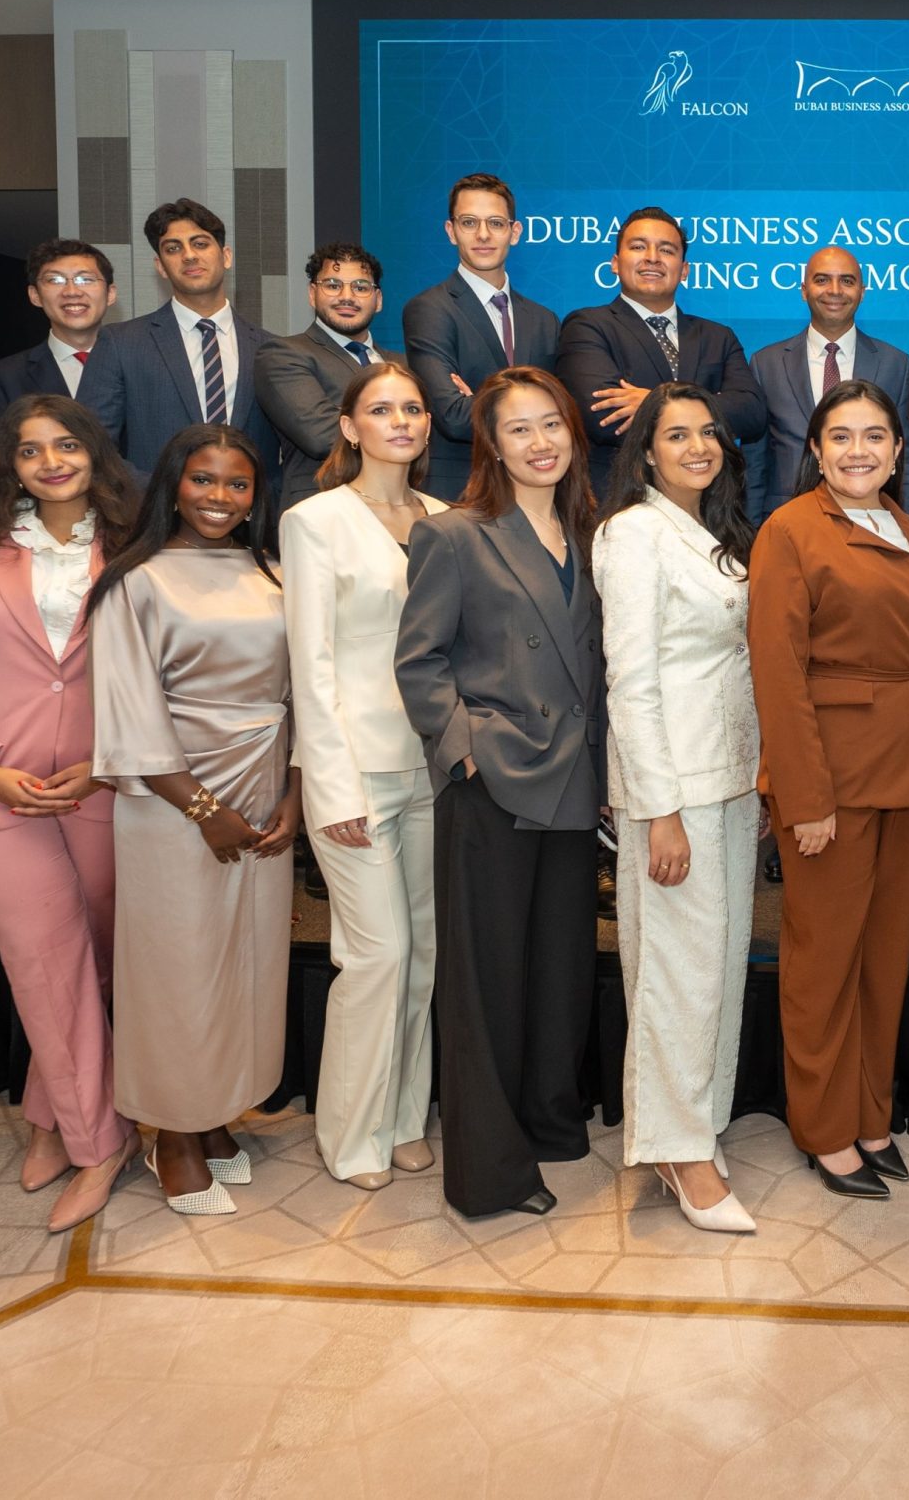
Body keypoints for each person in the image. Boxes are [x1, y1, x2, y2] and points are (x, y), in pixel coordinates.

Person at [0, 393, 145, 1232]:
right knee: (44, 959)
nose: (51, 462)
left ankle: (50, 1113)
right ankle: (99, 1144)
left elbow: (160, 664)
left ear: (94, 451)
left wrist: (109, 758)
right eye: (31, 449)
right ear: (9, 463)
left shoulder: (136, 538)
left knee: (97, 963)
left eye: (66, 444)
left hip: (105, 782)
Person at [394, 365, 605, 1220]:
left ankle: (548, 1121)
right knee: (483, 983)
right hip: (496, 783)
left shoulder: (592, 532)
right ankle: (488, 1172)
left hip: (575, 783)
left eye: (551, 423)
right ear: (491, 445)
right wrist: (465, 752)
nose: (540, 442)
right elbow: (419, 660)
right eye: (519, 428)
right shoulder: (455, 534)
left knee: (560, 968)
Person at [750, 380, 909, 1200]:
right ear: (815, 449)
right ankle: (825, 1129)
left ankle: (871, 1117)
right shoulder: (790, 530)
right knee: (823, 961)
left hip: (907, 771)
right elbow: (778, 673)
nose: (858, 451)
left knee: (883, 959)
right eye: (840, 436)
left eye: (875, 435)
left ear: (899, 449)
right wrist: (803, 799)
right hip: (831, 780)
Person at [91, 425, 298, 1216]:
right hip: (172, 799)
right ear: (173, 486)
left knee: (244, 962)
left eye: (237, 484)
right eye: (202, 480)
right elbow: (129, 710)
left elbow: (303, 691)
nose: (219, 497)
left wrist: (294, 798)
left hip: (263, 790)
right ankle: (171, 1133)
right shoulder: (134, 581)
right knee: (176, 968)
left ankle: (213, 1113)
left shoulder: (273, 572)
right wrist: (204, 809)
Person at [593, 383, 762, 1232]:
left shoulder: (716, 534)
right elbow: (630, 679)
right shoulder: (633, 533)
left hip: (732, 778)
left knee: (718, 968)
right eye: (677, 435)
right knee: (676, 973)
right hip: (676, 789)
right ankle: (674, 1149)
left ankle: (699, 1123)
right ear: (646, 453)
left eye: (708, 433)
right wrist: (658, 808)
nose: (698, 446)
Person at [281, 361, 450, 1190]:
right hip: (355, 770)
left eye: (412, 408)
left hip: (434, 768)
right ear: (350, 427)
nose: (400, 422)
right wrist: (332, 784)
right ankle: (350, 1136)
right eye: (381, 410)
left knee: (422, 955)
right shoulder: (315, 520)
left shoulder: (449, 518)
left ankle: (405, 1117)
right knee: (376, 956)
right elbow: (309, 665)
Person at [556, 207, 766, 492]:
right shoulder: (587, 326)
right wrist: (708, 408)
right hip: (623, 498)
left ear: (684, 270)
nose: (652, 257)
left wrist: (651, 402)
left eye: (666, 250)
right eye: (638, 247)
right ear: (615, 263)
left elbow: (751, 413)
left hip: (708, 504)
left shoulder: (718, 337)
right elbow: (604, 419)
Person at [79, 198, 281, 480]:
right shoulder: (120, 344)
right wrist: (160, 497)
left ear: (226, 256)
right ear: (161, 266)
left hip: (251, 506)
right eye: (173, 248)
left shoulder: (271, 349)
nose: (189, 255)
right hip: (151, 504)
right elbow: (93, 446)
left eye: (200, 244)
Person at [403, 173, 563, 501]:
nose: (483, 234)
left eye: (496, 223)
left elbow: (560, 412)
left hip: (534, 491)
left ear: (514, 232)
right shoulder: (429, 309)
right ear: (451, 231)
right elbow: (453, 416)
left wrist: (479, 399)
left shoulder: (544, 320)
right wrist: (529, 412)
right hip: (461, 491)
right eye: (469, 222)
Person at [749, 246, 909, 520]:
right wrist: (752, 534)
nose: (835, 290)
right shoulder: (766, 363)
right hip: (788, 521)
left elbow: (906, 458)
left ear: (862, 292)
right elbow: (754, 462)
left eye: (847, 281)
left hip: (871, 519)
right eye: (822, 280)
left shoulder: (894, 364)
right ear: (804, 290)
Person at [258, 243, 398, 512]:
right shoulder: (284, 355)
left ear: (378, 299)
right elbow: (321, 436)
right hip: (322, 510)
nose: (347, 296)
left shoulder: (405, 365)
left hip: (400, 511)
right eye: (333, 285)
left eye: (360, 287)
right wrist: (405, 433)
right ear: (312, 294)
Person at [0, 240, 118, 443]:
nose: (72, 291)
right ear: (35, 295)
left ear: (110, 294)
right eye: (55, 280)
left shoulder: (141, 364)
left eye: (85, 279)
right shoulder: (3, 377)